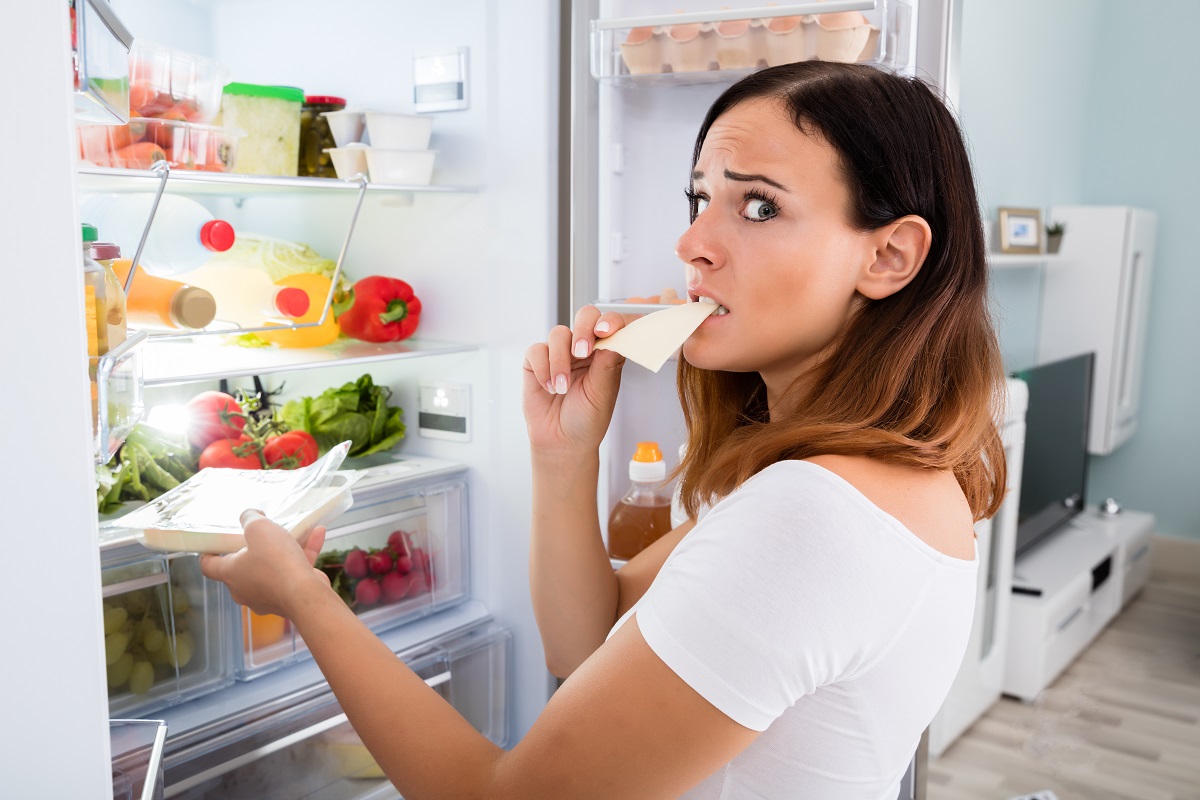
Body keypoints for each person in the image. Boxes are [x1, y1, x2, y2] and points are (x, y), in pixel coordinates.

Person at [201, 59, 1007, 799]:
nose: (693, 244)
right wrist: (564, 454)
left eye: (759, 206)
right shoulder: (851, 473)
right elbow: (585, 646)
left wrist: (304, 596)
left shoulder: (811, 518)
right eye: (700, 199)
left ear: (890, 256)